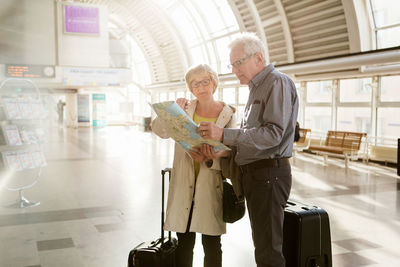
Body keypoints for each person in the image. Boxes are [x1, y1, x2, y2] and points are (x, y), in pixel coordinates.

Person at [197, 32, 299, 267]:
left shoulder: (277, 82)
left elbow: (273, 134)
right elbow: (253, 139)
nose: (234, 70)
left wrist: (223, 134)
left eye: (238, 63)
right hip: (258, 176)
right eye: (231, 65)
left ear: (258, 58)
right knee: (263, 246)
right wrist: (225, 151)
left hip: (269, 176)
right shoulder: (257, 88)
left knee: (268, 251)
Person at [151, 64, 236, 267]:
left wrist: (216, 153)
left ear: (214, 83)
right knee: (184, 242)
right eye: (195, 84)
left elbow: (233, 147)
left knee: (212, 243)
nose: (201, 87)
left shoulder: (228, 113)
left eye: (205, 81)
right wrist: (173, 111)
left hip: (211, 184)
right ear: (190, 88)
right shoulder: (185, 109)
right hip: (184, 182)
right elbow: (159, 131)